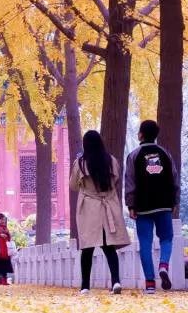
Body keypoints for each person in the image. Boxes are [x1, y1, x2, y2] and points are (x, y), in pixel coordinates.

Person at [72, 130, 130, 294]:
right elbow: (116, 180)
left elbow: (73, 185)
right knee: (109, 247)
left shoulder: (81, 163)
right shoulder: (111, 160)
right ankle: (116, 281)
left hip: (89, 208)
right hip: (107, 207)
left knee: (87, 249)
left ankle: (84, 286)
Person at [125, 119, 178, 294]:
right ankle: (163, 265)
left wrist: (131, 205)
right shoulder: (165, 154)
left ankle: (149, 283)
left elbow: (130, 182)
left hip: (143, 206)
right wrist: (174, 201)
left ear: (141, 134)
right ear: (156, 135)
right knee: (167, 238)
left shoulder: (134, 155)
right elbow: (174, 179)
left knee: (145, 244)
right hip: (163, 204)